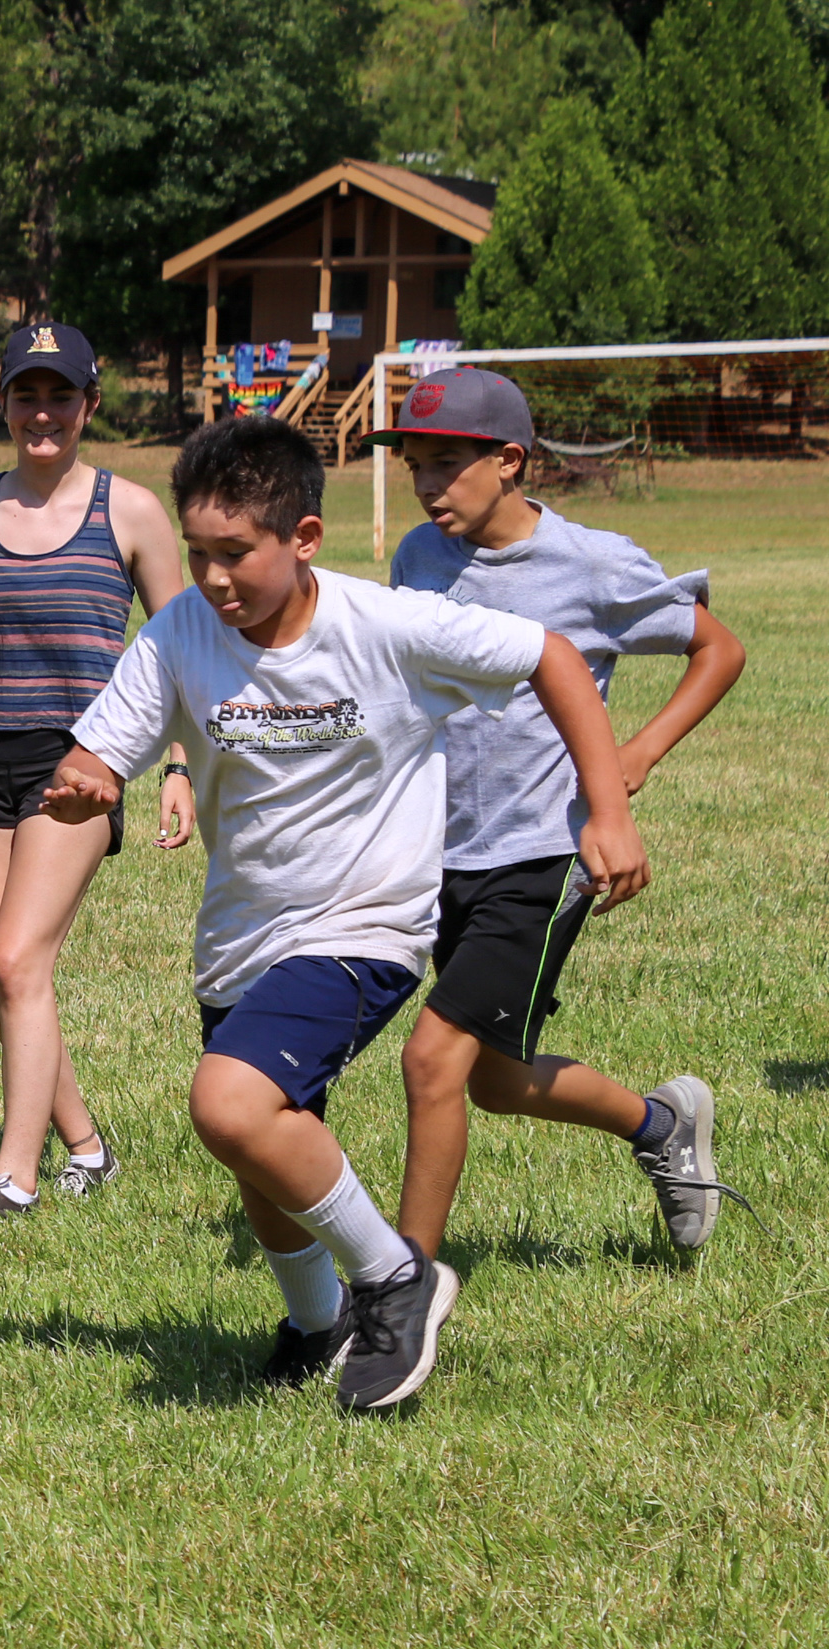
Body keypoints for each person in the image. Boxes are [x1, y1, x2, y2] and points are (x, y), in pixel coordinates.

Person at [42, 417, 649, 1410]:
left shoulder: (387, 626)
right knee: (262, 1153)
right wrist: (86, 781)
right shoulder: (180, 631)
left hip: (363, 927)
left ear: (304, 538)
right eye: (198, 552)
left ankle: (395, 1277)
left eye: (236, 551)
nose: (214, 576)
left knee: (228, 1101)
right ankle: (313, 1319)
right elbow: (100, 750)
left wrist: (607, 810)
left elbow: (552, 655)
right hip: (239, 937)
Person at [373, 369, 751, 1259]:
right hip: (446, 854)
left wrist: (637, 754)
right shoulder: (419, 557)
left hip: (545, 856)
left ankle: (404, 1284)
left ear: (509, 461)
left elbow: (718, 649)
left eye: (445, 465)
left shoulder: (590, 563)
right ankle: (660, 1124)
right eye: (415, 466)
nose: (426, 485)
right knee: (495, 1082)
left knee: (432, 1058)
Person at [0, 322, 192, 1223]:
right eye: (26, 394)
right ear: (5, 404)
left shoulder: (131, 512)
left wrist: (177, 766)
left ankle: (14, 1179)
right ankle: (87, 1147)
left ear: (90, 405)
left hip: (81, 765)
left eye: (60, 395)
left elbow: (182, 648)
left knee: (20, 960)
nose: (42, 413)